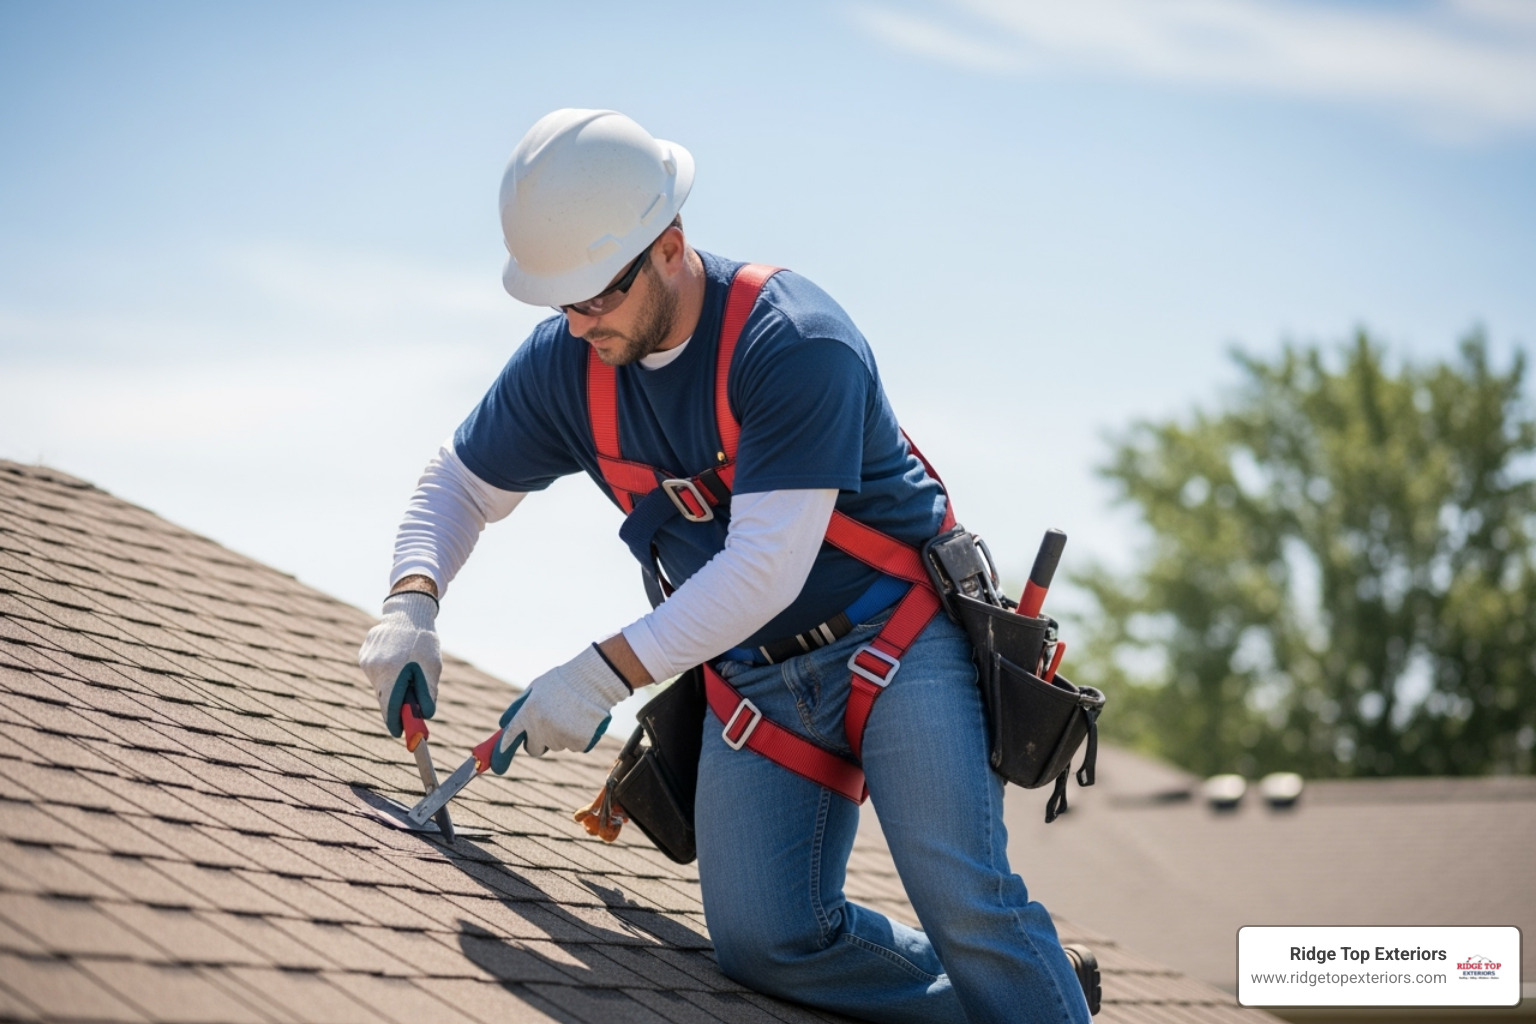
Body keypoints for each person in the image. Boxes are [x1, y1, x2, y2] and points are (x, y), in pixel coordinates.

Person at [359, 108, 1094, 1024]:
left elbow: (764, 570)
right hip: (755, 679)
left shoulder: (794, 342)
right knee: (767, 942)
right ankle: (1024, 997)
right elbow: (458, 484)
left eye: (599, 298)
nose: (580, 325)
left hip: (898, 646)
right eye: (562, 304)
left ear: (669, 247)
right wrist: (412, 604)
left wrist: (598, 675)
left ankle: (1016, 982)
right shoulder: (568, 362)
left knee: (967, 903)